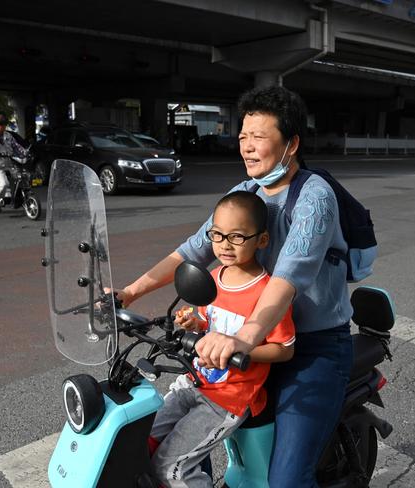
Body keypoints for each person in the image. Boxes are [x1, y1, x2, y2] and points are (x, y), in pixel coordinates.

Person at [116, 86, 354, 487]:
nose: (246, 146)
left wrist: (242, 338)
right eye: (243, 136)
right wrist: (127, 293)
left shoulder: (314, 197)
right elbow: (192, 252)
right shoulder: (243, 194)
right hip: (243, 345)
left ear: (291, 143)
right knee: (173, 438)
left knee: (286, 480)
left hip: (312, 347)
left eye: (258, 136)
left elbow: (288, 278)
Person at [149, 191, 295, 488]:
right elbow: (209, 322)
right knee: (140, 437)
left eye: (237, 236)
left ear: (262, 240)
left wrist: (243, 351)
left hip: (227, 398)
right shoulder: (214, 277)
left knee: (170, 467)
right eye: (217, 234)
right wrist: (195, 322)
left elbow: (284, 349)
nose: (224, 245)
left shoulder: (269, 294)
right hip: (191, 381)